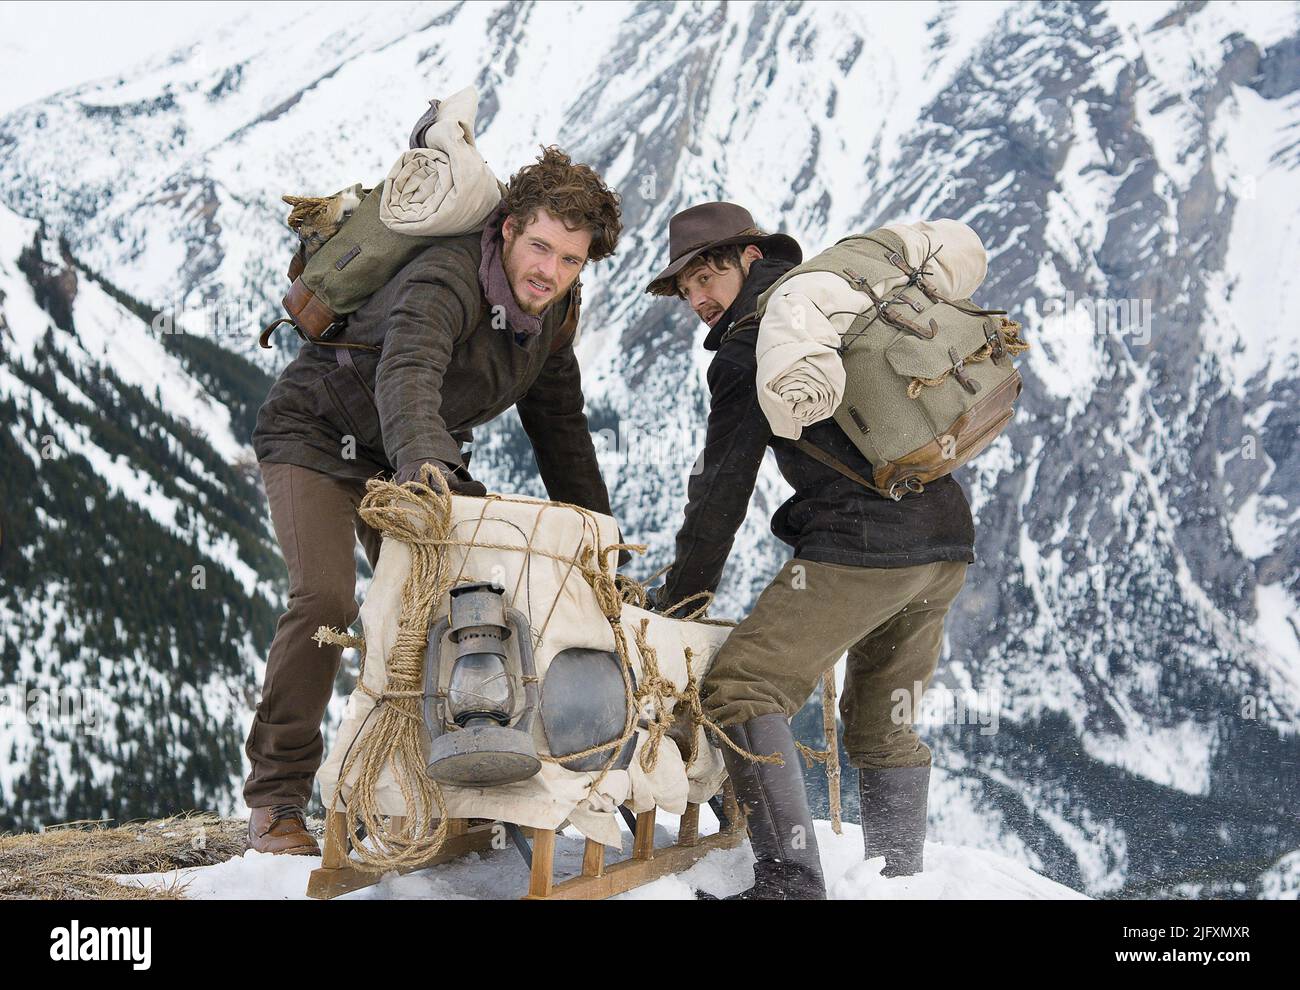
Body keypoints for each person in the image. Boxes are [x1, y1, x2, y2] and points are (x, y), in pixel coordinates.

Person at [244, 147, 622, 855]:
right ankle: (277, 800)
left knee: (467, 601)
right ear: (507, 229)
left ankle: (436, 788)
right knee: (327, 600)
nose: (550, 271)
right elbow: (409, 370)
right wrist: (429, 478)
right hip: (319, 437)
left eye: (570, 260)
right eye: (540, 246)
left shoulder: (552, 313)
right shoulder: (446, 277)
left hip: (410, 452)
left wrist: (599, 537)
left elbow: (562, 429)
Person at [646, 202, 974, 898]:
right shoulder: (841, 300)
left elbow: (720, 494)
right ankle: (897, 883)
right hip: (945, 541)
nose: (700, 298)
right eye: (686, 290)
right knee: (883, 727)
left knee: (740, 688)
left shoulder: (752, 347)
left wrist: (680, 596)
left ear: (752, 259)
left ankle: (790, 885)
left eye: (710, 276)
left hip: (863, 547)